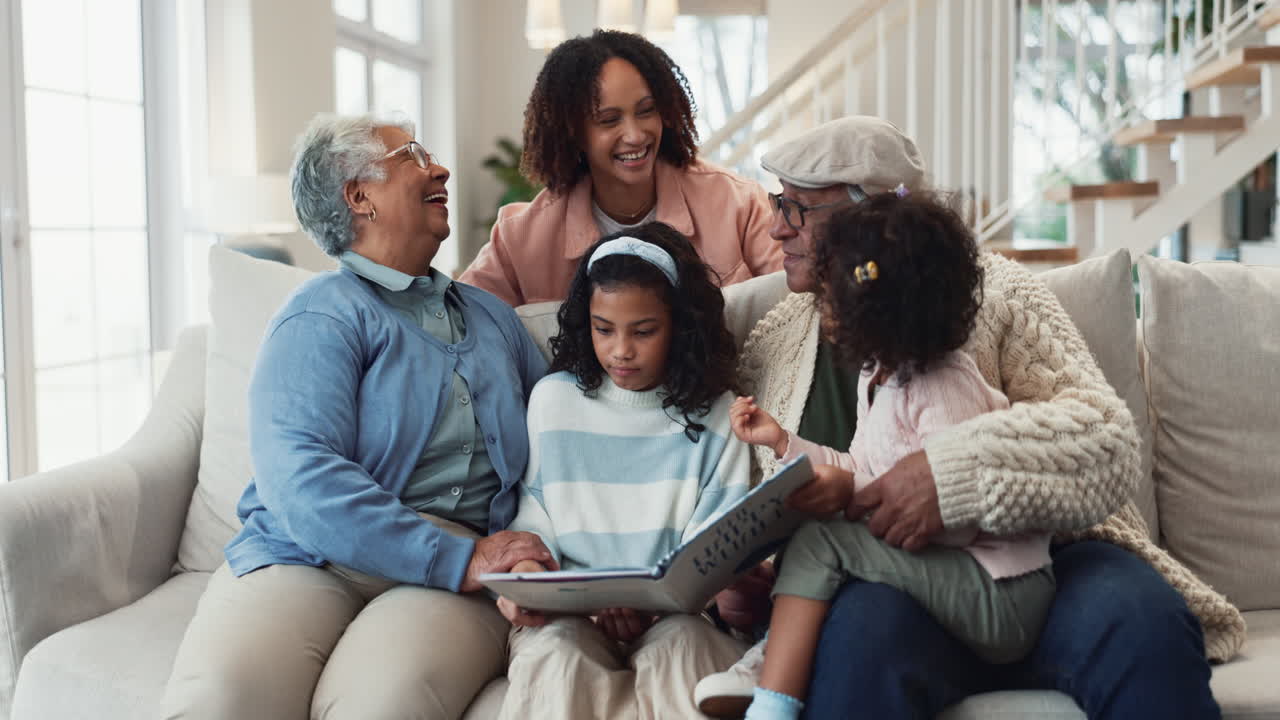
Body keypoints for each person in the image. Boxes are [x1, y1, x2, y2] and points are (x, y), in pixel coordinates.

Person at [702, 115, 1244, 719]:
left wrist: (954, 473)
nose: (777, 227)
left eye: (799, 208)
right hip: (887, 585)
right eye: (778, 203)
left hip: (1045, 561)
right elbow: (747, 496)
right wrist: (743, 579)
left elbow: (1108, 440)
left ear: (874, 216)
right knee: (859, 643)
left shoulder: (993, 291)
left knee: (1143, 621)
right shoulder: (770, 341)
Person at [160, 113, 555, 720]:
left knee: (382, 704)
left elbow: (556, 444)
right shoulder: (321, 314)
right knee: (222, 698)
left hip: (448, 569)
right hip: (308, 553)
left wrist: (523, 556)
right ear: (359, 196)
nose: (441, 168)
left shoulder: (493, 319)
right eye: (414, 156)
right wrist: (461, 559)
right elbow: (300, 478)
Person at [715, 190, 1055, 720]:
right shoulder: (879, 376)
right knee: (820, 542)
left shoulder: (942, 387)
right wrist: (783, 442)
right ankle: (772, 670)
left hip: (1001, 593)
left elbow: (959, 516)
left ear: (877, 308)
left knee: (821, 543)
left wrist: (858, 512)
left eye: (829, 295)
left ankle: (772, 701)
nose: (820, 305)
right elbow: (859, 467)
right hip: (959, 577)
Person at [495, 222, 752, 719]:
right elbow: (534, 514)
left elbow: (720, 540)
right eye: (603, 328)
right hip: (568, 615)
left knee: (682, 652)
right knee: (557, 659)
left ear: (678, 325)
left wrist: (661, 603)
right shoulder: (553, 400)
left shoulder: (720, 413)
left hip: (682, 618)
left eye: (644, 331)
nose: (620, 351)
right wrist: (527, 572)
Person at [459, 29, 781, 306]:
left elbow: (801, 306)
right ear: (574, 133)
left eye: (646, 111)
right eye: (609, 120)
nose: (635, 135)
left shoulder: (738, 204)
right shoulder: (521, 238)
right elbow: (462, 325)